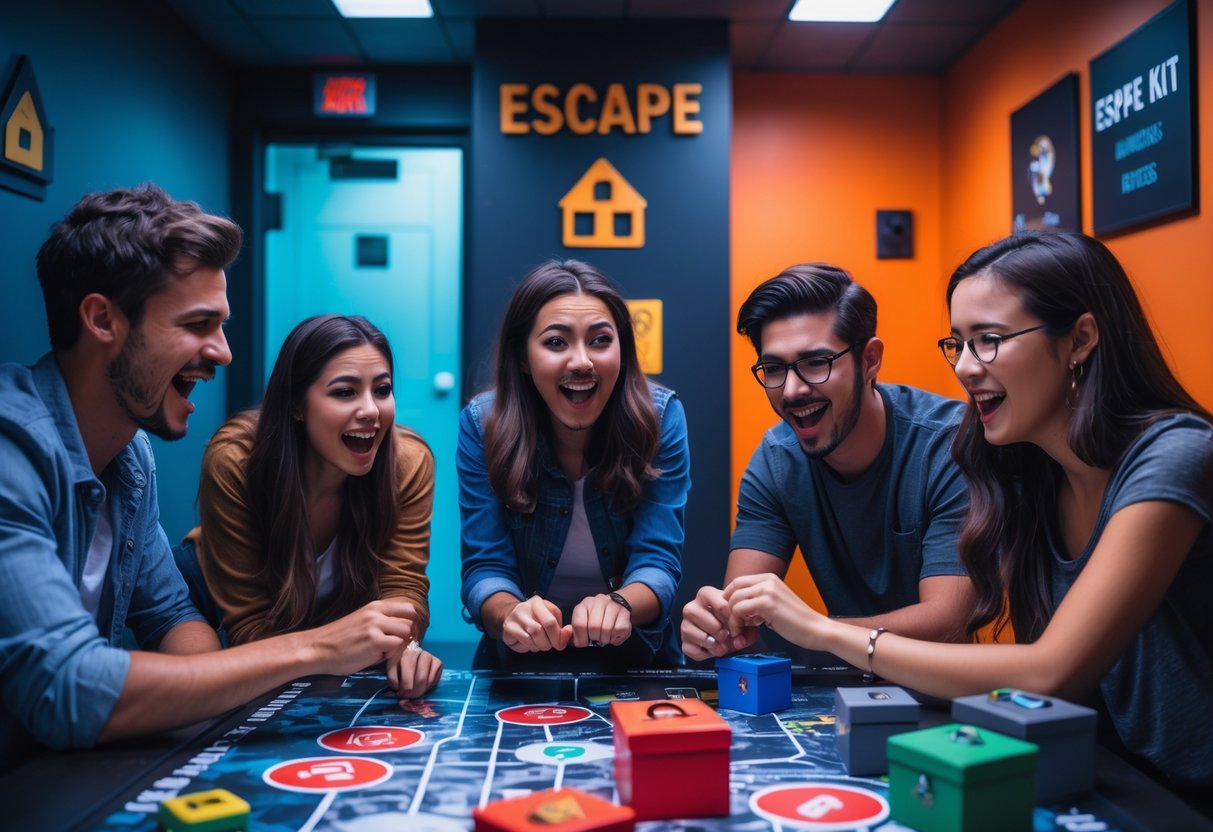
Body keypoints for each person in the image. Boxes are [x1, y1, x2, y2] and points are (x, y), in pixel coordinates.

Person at [720, 232, 1213, 812]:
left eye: (990, 341)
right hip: (1100, 770)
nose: (965, 369)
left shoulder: (1176, 455)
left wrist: (822, 630)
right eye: (958, 345)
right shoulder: (1026, 471)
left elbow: (1051, 670)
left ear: (1079, 339)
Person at [0, 185, 417, 774]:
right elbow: (68, 688)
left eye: (221, 326)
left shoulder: (130, 457)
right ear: (102, 320)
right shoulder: (11, 448)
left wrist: (217, 733)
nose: (222, 353)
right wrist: (318, 648)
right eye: (199, 324)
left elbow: (172, 617)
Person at [682, 264, 974, 662]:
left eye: (816, 363)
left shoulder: (949, 445)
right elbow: (740, 614)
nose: (792, 389)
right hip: (841, 694)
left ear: (870, 360)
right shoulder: (776, 462)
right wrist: (717, 628)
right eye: (773, 369)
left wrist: (815, 629)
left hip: (951, 692)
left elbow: (948, 622)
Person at [179, 314, 441, 698]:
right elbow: (250, 629)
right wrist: (331, 650)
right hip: (216, 608)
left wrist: (405, 646)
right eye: (345, 392)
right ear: (297, 405)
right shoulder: (236, 459)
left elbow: (402, 587)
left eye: (382, 390)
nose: (371, 410)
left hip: (323, 637)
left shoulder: (408, 462)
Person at [458, 259, 690, 670]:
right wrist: (511, 613)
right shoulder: (483, 424)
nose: (582, 361)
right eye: (556, 343)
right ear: (524, 358)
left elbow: (658, 561)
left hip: (635, 660)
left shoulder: (660, 418)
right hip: (518, 665)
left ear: (622, 349)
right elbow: (485, 565)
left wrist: (619, 604)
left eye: (600, 340)